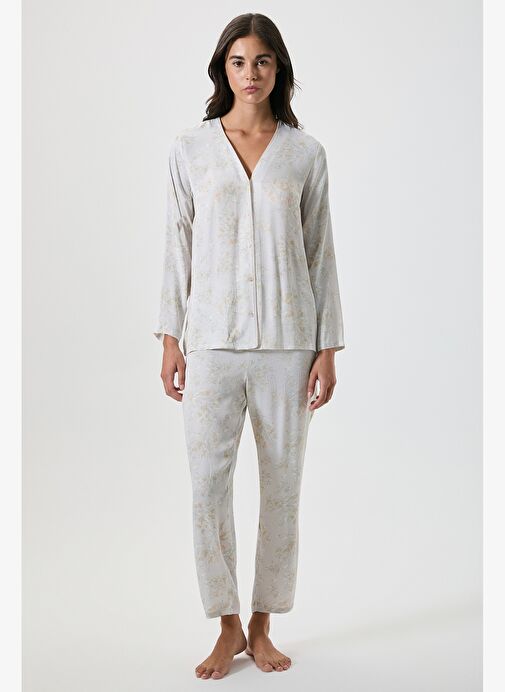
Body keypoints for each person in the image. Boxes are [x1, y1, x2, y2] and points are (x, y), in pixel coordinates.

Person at [154, 12, 345, 680]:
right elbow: (176, 245)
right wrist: (170, 337)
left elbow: (320, 253)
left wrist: (327, 347)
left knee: (282, 488)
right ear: (223, 69)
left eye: (262, 61)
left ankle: (263, 623)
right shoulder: (190, 150)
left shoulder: (304, 153)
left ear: (277, 68)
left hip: (289, 344)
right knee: (207, 488)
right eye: (239, 62)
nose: (251, 73)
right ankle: (226, 623)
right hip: (209, 342)